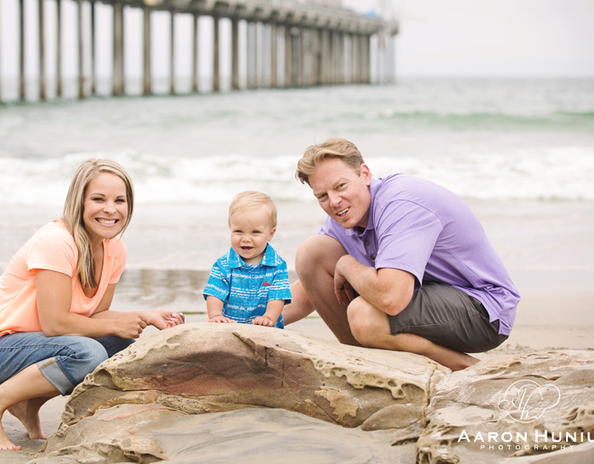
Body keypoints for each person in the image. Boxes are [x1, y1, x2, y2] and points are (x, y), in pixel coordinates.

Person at [0, 159, 184, 450]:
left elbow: (96, 315)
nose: (111, 209)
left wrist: (146, 316)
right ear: (79, 202)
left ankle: (26, 404)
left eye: (119, 200)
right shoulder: (57, 241)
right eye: (98, 199)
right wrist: (115, 325)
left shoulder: (115, 249)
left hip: (27, 346)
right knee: (87, 352)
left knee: (118, 345)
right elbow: (55, 323)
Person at [282, 138, 519, 370]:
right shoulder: (346, 215)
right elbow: (310, 287)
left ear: (365, 174)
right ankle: (364, 361)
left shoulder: (401, 202)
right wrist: (262, 318)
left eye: (340, 186)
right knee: (312, 252)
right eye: (322, 196)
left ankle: (465, 367)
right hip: (425, 300)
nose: (334, 201)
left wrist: (346, 265)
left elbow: (391, 298)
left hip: (485, 311)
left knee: (364, 316)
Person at [204, 191, 292, 328]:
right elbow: (214, 293)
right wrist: (216, 315)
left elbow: (277, 296)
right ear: (230, 229)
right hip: (230, 327)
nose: (245, 239)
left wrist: (268, 317)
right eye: (238, 231)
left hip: (265, 329)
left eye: (255, 232)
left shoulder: (277, 266)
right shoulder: (223, 265)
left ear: (270, 234)